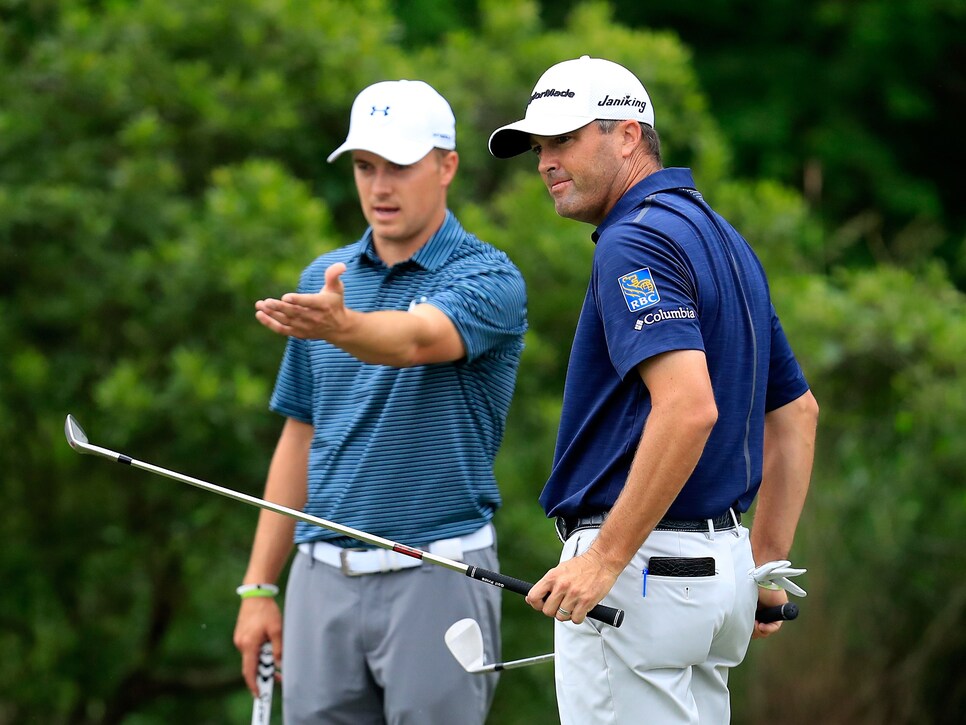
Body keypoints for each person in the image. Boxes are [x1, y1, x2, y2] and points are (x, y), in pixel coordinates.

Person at [488, 56, 818, 724]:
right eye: (540, 146)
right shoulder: (723, 239)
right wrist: (765, 570)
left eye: (566, 139)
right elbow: (796, 412)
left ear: (628, 135)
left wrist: (604, 556)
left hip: (641, 573)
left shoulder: (631, 243)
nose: (547, 160)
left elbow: (690, 407)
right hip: (717, 575)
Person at [233, 79, 528, 725]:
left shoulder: (488, 277)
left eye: (399, 165)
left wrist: (344, 328)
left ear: (447, 166)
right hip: (320, 574)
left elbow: (416, 338)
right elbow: (300, 436)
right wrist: (259, 585)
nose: (379, 186)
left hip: (438, 571)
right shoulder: (326, 279)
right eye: (366, 167)